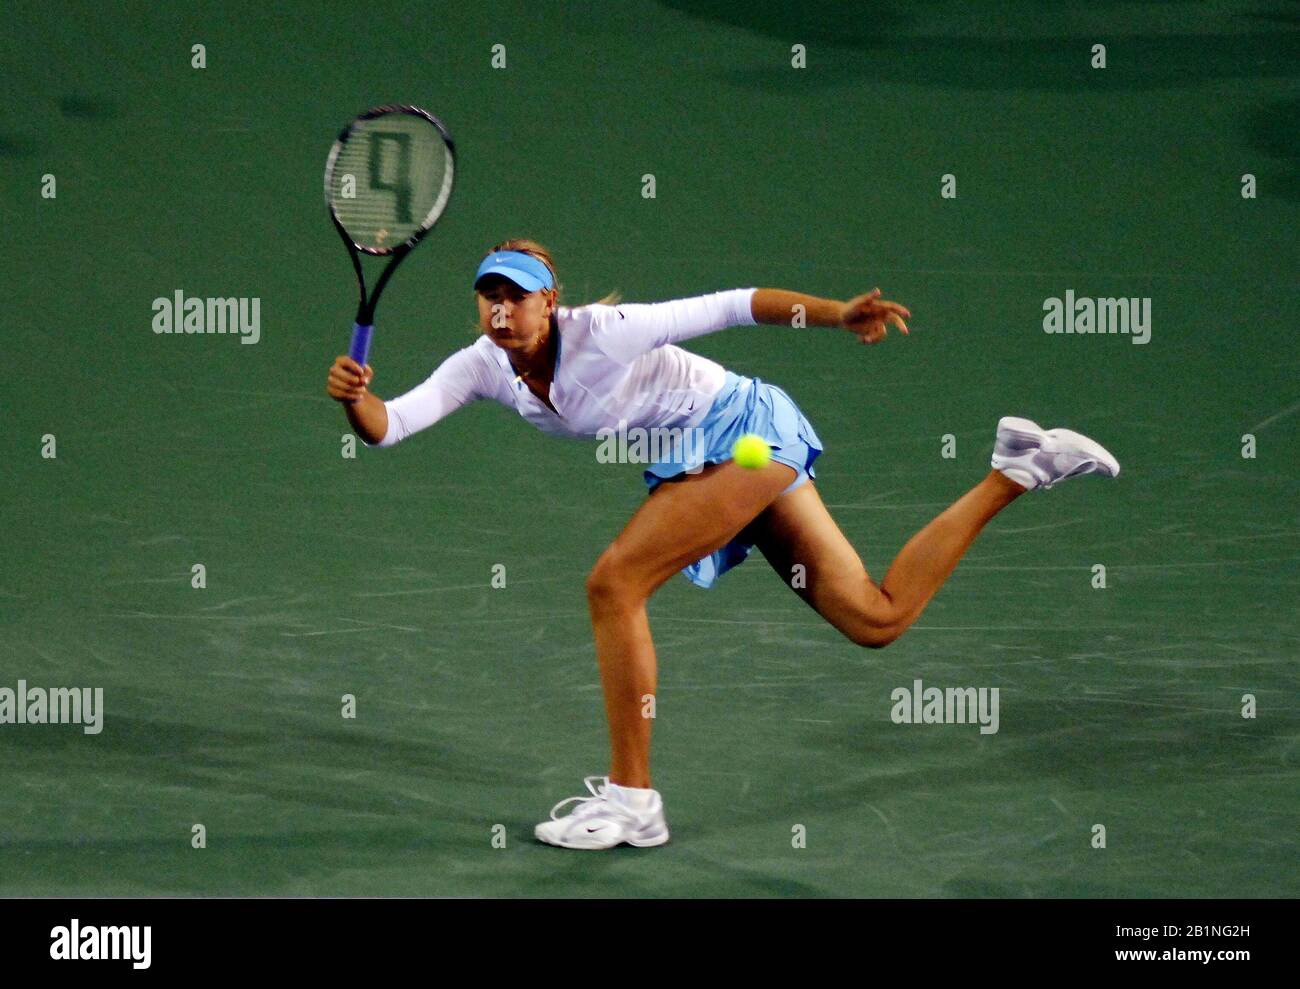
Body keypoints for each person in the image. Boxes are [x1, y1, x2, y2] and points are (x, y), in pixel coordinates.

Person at [325, 238, 1120, 850]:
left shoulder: (608, 331)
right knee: (878, 618)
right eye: (489, 297)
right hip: (718, 460)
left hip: (744, 433)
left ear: (550, 302)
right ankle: (1016, 468)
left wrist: (836, 313)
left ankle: (634, 802)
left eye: (517, 296)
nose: (502, 310)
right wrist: (359, 398)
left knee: (614, 584)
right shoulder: (483, 366)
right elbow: (391, 427)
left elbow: (736, 303)